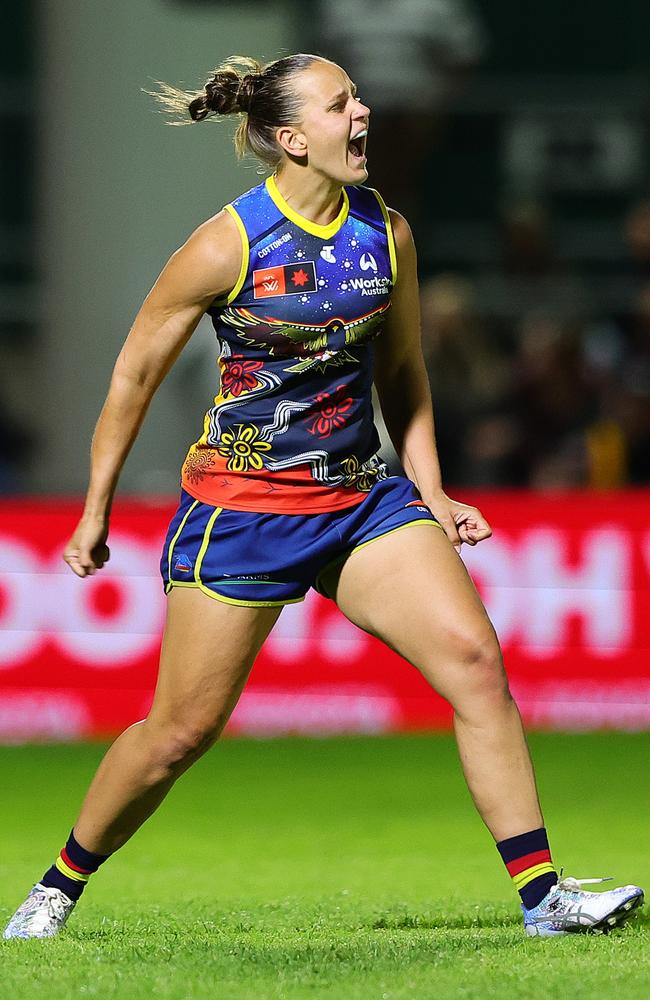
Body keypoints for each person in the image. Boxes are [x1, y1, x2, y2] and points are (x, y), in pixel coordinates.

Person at [4, 53, 643, 940]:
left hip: (358, 502)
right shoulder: (227, 244)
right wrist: (94, 507)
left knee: (474, 663)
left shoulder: (389, 232)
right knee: (178, 735)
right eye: (343, 103)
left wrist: (432, 489)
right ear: (292, 137)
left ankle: (545, 901)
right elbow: (134, 374)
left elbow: (406, 373)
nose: (366, 112)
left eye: (359, 98)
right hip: (242, 513)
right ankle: (57, 886)